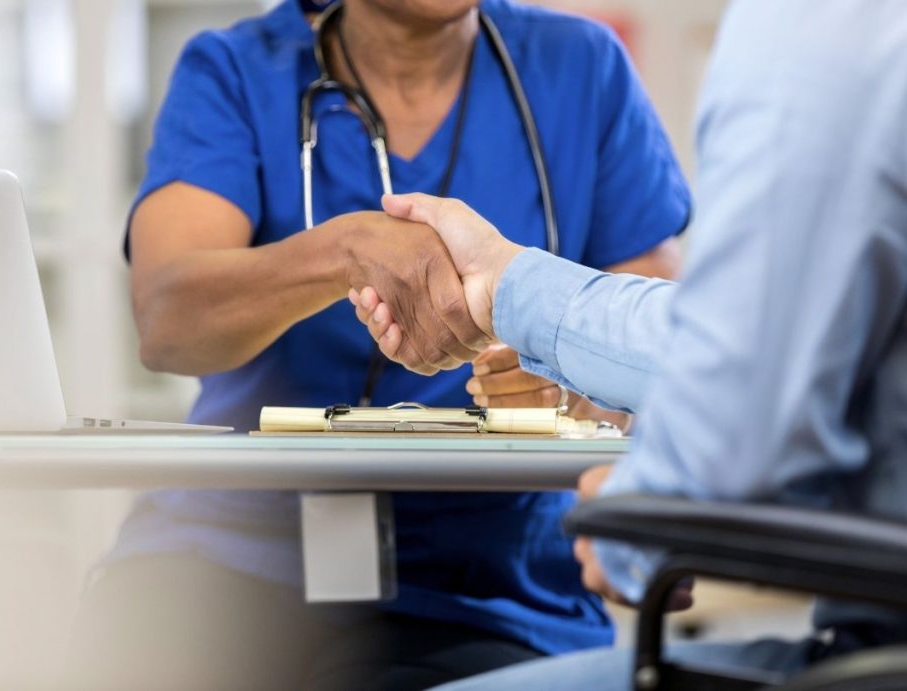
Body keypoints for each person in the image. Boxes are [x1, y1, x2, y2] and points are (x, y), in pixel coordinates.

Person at [66, 0, 690, 688]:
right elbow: (167, 319)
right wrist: (345, 248)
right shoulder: (238, 70)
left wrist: (569, 387)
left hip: (488, 581)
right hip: (230, 547)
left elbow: (661, 346)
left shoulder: (581, 68)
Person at [349, 1, 907, 688]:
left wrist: (636, 517)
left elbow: (741, 428)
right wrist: (508, 286)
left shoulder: (818, 31)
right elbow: (736, 333)